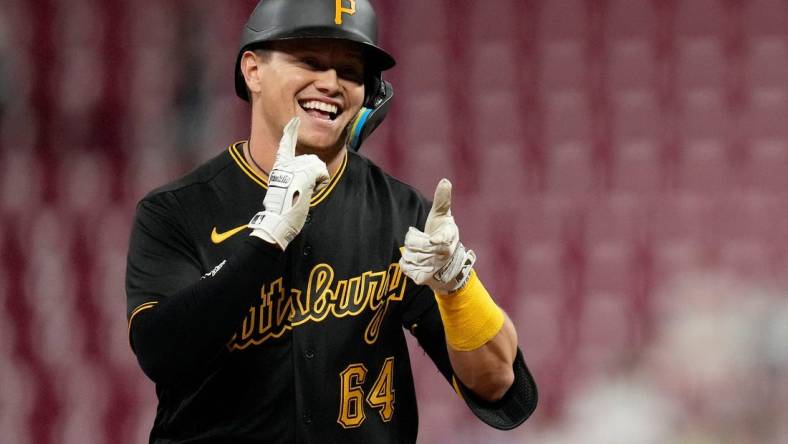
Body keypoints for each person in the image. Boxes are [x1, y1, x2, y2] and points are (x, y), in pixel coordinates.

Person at [125, 0, 537, 442]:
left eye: (349, 71)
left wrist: (457, 285)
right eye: (309, 60)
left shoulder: (401, 214)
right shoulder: (175, 211)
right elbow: (162, 354)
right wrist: (265, 241)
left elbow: (502, 388)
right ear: (253, 71)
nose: (330, 83)